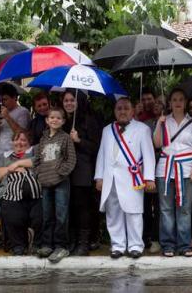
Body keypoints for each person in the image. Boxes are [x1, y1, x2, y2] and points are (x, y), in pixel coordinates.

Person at [95, 98, 156, 258]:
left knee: (134, 212)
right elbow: (101, 154)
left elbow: (149, 155)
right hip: (111, 178)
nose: (122, 111)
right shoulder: (107, 130)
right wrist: (99, 177)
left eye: (126, 108)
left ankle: (135, 245)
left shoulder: (142, 129)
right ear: (115, 111)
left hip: (132, 178)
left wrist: (149, 178)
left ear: (133, 111)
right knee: (113, 212)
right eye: (119, 108)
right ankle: (118, 245)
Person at [153, 88, 192, 257]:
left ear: (185, 102)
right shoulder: (164, 121)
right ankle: (168, 244)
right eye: (174, 99)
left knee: (184, 209)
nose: (177, 102)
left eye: (181, 99)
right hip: (165, 168)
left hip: (187, 170)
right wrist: (159, 125)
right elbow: (157, 143)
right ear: (169, 103)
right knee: (166, 208)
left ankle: (184, 245)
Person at [61, 90, 102, 256]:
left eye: (72, 100)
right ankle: (72, 240)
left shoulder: (89, 120)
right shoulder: (63, 122)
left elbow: (96, 147)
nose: (69, 103)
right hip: (66, 171)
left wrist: (78, 140)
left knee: (83, 207)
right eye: (66, 100)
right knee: (69, 206)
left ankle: (84, 243)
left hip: (83, 170)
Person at [33, 107, 76, 263]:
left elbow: (71, 160)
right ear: (47, 120)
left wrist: (60, 173)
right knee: (47, 214)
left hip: (61, 183)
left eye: (58, 118)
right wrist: (39, 173)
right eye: (52, 117)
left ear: (63, 121)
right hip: (45, 183)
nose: (55, 120)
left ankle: (61, 246)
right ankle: (47, 244)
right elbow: (36, 160)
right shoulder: (43, 139)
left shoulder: (65, 138)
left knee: (61, 214)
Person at [0, 131, 42, 256]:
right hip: (11, 194)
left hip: (37, 194)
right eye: (17, 139)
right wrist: (9, 169)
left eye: (24, 140)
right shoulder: (5, 157)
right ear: (12, 142)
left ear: (30, 143)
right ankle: (18, 245)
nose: (19, 143)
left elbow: (42, 161)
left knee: (40, 215)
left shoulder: (35, 152)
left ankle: (38, 244)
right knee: (14, 216)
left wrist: (20, 163)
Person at [142, 98, 166, 253]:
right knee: (144, 205)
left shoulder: (168, 121)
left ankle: (157, 238)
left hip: (163, 164)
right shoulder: (146, 123)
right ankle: (145, 237)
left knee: (159, 206)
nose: (156, 106)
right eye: (154, 104)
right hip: (145, 165)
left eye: (160, 104)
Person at [0, 84, 30, 159]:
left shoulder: (23, 112)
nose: (3, 102)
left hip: (14, 153)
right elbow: (3, 133)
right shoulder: (5, 112)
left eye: (5, 99)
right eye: (2, 100)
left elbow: (21, 134)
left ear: (14, 98)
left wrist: (7, 117)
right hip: (0, 152)